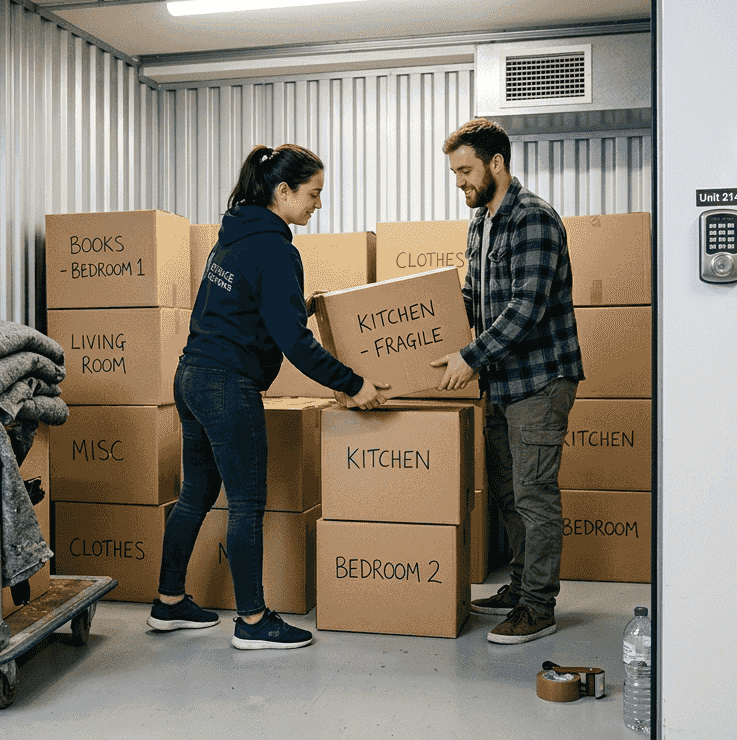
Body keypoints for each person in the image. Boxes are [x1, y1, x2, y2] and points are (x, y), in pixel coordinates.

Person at [148, 143, 388, 650]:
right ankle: (253, 621)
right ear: (283, 191)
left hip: (191, 376)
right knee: (247, 504)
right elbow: (296, 345)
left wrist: (295, 305)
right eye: (313, 193)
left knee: (195, 493)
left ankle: (168, 602)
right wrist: (355, 384)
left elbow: (241, 309)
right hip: (227, 386)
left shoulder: (230, 239)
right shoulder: (278, 250)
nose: (318, 204)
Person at [430, 118, 584, 645]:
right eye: (455, 172)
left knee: (533, 494)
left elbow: (528, 308)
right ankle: (519, 588)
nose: (460, 182)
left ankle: (539, 606)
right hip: (500, 382)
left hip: (540, 380)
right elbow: (474, 299)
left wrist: (468, 356)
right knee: (505, 492)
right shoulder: (481, 224)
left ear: (497, 163)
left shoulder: (534, 219)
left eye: (466, 170)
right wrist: (425, 331)